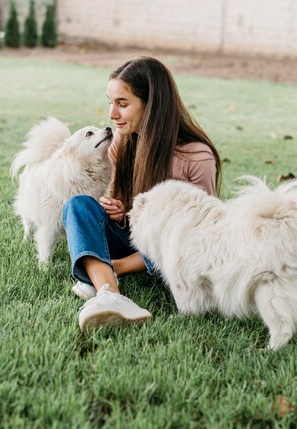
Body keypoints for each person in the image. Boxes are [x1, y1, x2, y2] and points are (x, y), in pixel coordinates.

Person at [62, 56, 221, 333]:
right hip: (133, 236)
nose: (112, 114)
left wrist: (122, 263)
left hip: (170, 251)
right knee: (77, 206)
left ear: (152, 106)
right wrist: (119, 212)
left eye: (123, 104)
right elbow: (121, 206)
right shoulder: (122, 143)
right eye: (111, 102)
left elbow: (201, 239)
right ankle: (110, 294)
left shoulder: (196, 157)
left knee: (178, 239)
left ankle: (104, 274)